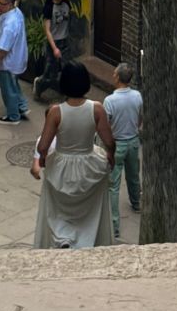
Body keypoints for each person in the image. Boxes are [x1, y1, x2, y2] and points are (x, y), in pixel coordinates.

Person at [32, 60, 115, 249]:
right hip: (89, 162)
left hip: (61, 164)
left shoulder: (55, 112)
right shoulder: (96, 108)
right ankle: (88, 240)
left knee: (58, 210)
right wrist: (111, 155)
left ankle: (63, 239)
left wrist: (44, 159)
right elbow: (109, 141)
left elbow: (43, 145)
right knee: (90, 211)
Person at [104, 61, 143, 239]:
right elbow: (140, 118)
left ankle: (114, 225)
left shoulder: (110, 101)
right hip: (133, 142)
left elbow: (105, 125)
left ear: (119, 78)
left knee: (114, 186)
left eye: (114, 74)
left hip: (117, 144)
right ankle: (136, 203)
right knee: (134, 176)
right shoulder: (137, 96)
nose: (113, 76)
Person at [0, 0, 29, 124]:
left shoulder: (9, 25)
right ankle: (22, 106)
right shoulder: (17, 13)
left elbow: (4, 49)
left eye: (2, 4)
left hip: (9, 62)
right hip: (19, 58)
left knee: (8, 89)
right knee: (14, 84)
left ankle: (13, 116)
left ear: (11, 3)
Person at [33, 0, 70, 101]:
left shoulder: (67, 4)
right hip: (53, 42)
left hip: (65, 41)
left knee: (66, 70)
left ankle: (66, 93)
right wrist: (54, 48)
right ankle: (39, 85)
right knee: (50, 71)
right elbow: (47, 30)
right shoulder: (49, 8)